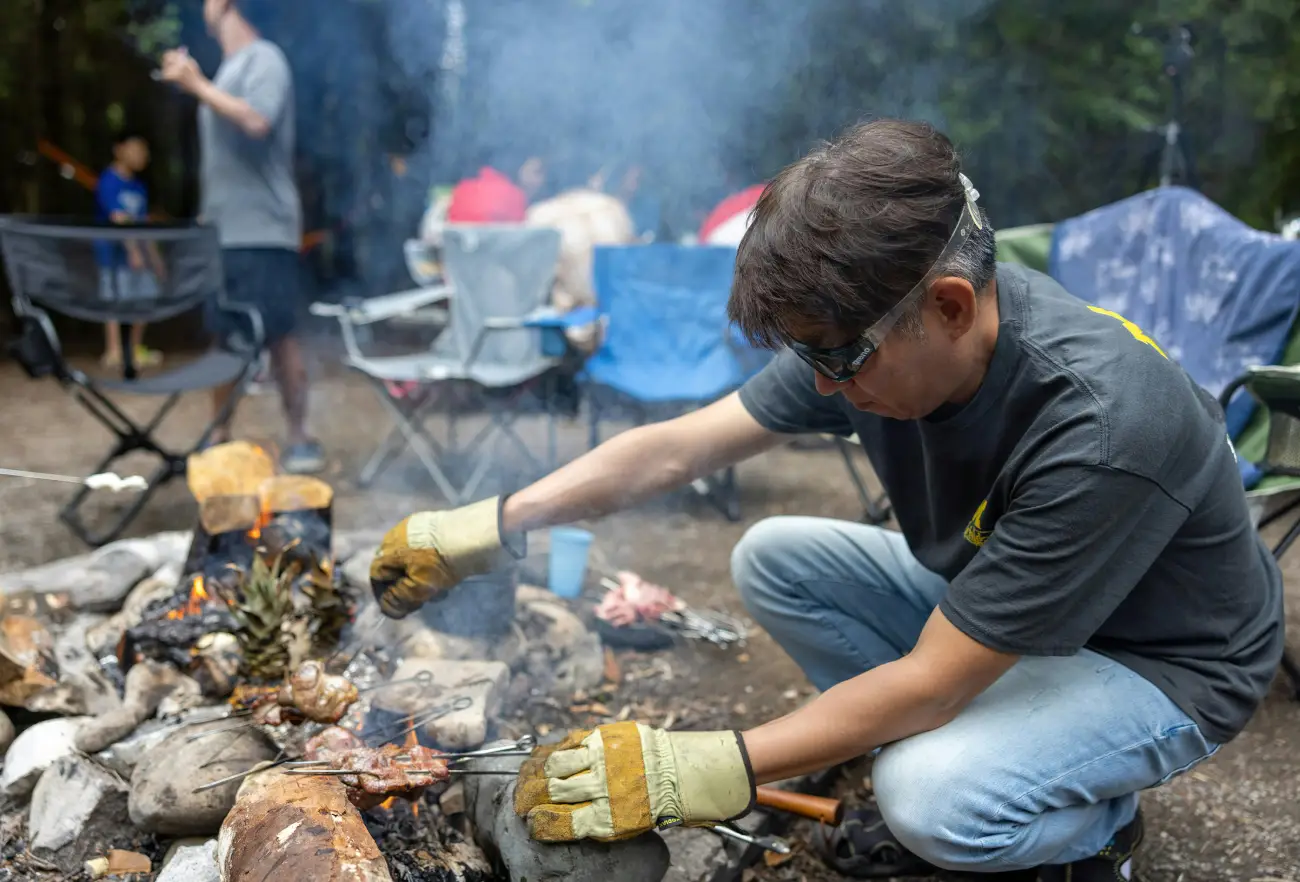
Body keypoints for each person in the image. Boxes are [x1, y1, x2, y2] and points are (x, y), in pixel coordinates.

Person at [362, 120, 1284, 880]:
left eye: (838, 360)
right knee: (774, 555)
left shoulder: (1103, 425)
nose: (826, 387)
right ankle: (995, 743)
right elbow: (679, 446)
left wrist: (718, 764)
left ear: (955, 307)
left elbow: (932, 679)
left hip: (1161, 662)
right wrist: (491, 521)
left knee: (930, 797)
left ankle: (1098, 828)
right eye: (812, 360)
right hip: (1022, 614)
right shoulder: (877, 329)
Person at [160, 0, 324, 474]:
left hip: (263, 229)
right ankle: (220, 439)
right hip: (224, 231)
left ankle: (299, 435)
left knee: (279, 335)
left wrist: (196, 85)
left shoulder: (264, 59)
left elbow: (256, 121)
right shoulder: (230, 68)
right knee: (224, 336)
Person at [95, 131, 165, 371]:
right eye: (136, 148)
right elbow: (118, 218)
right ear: (119, 149)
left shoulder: (138, 187)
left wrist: (156, 260)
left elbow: (143, 224)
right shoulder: (108, 181)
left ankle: (133, 348)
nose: (141, 155)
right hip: (113, 256)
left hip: (139, 257)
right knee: (116, 302)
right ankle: (114, 350)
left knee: (144, 299)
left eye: (143, 150)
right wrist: (132, 250)